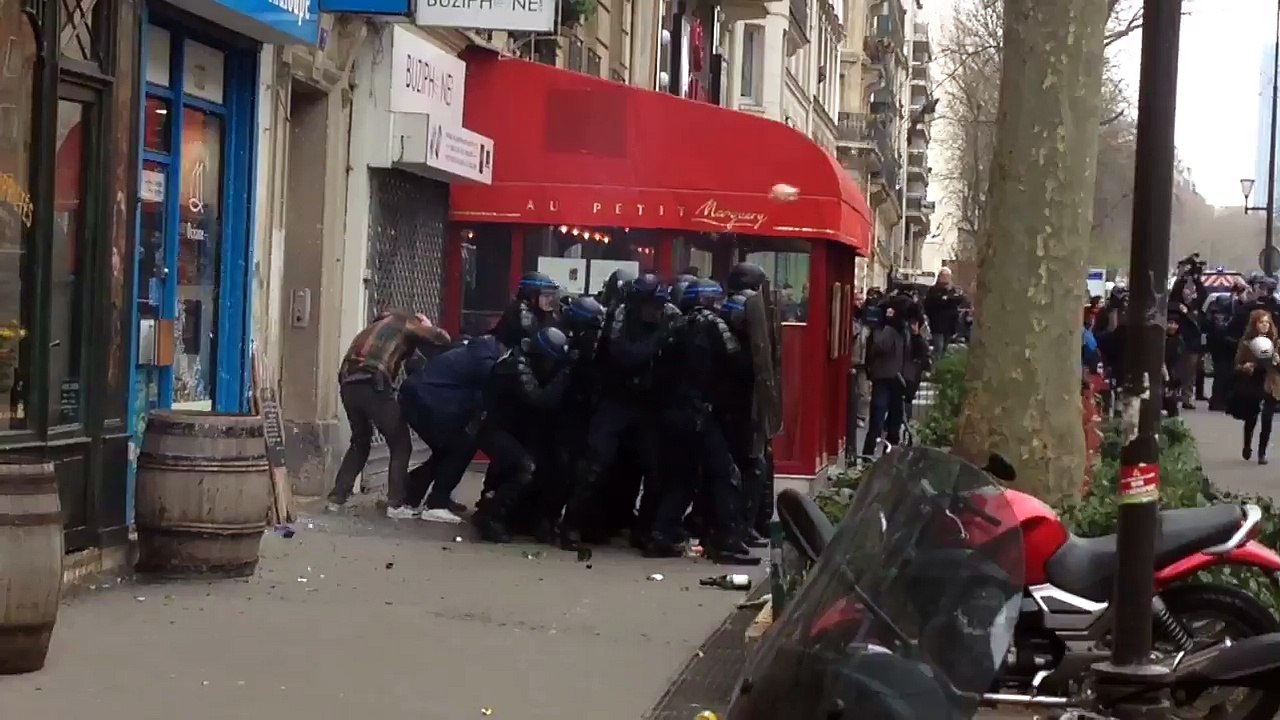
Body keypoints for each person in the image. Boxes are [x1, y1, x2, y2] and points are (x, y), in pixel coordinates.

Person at [327, 311, 452, 518]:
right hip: (372, 382)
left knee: (360, 442)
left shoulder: (373, 327)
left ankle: (336, 498)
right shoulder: (405, 322)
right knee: (401, 443)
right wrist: (427, 325)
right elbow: (442, 339)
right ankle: (396, 505)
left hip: (348, 384)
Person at [473, 327, 572, 542]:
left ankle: (527, 518)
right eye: (549, 361)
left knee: (553, 465)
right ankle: (491, 516)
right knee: (525, 466)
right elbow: (539, 400)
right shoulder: (516, 365)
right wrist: (564, 375)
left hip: (517, 430)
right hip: (495, 428)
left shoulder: (532, 363)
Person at [399, 334, 502, 523]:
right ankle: (435, 503)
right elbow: (485, 395)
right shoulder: (485, 362)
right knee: (460, 447)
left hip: (421, 398)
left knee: (447, 449)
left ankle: (413, 494)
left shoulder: (475, 352)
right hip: (426, 401)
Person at [862, 296, 910, 456]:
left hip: (894, 379)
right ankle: (869, 456)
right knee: (879, 421)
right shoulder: (889, 330)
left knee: (891, 423)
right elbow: (880, 347)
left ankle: (885, 456)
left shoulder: (901, 330)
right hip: (886, 379)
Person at [1231, 310, 1280, 465]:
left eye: (1267, 322)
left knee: (1267, 417)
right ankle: (1247, 445)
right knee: (1251, 418)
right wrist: (1245, 366)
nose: (1264, 325)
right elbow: (1237, 364)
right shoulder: (1247, 343)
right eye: (1261, 322)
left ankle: (1262, 452)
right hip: (1252, 382)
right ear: (1255, 324)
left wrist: (1277, 360)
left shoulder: (1275, 342)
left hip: (1270, 383)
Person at [492, 271, 560, 349]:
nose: (550, 299)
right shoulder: (520, 311)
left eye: (552, 295)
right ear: (532, 296)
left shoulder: (542, 311)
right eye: (546, 296)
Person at [923, 268, 965, 356]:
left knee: (945, 346)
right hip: (937, 323)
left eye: (948, 276)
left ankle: (940, 364)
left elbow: (958, 299)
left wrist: (948, 297)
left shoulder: (952, 289)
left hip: (949, 324)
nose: (946, 278)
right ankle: (933, 363)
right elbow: (935, 302)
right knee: (939, 346)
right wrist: (945, 299)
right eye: (944, 276)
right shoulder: (933, 290)